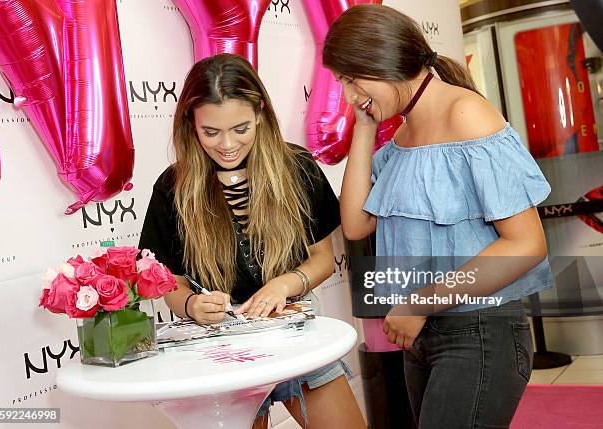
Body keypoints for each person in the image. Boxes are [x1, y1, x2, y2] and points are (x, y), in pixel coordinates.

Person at [322, 4, 554, 429]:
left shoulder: (466, 114)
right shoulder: (404, 132)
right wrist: (363, 128)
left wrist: (419, 302)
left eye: (351, 79)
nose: (349, 95)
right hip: (423, 333)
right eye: (341, 82)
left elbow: (526, 245)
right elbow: (356, 224)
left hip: (479, 331)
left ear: (383, 61)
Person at [138, 53, 366, 429]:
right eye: (210, 132)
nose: (227, 144)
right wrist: (193, 305)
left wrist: (283, 286)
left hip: (293, 332)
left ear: (260, 112)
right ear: (190, 125)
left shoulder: (298, 168)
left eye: (241, 128)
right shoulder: (172, 187)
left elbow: (322, 258)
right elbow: (172, 283)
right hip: (220, 350)